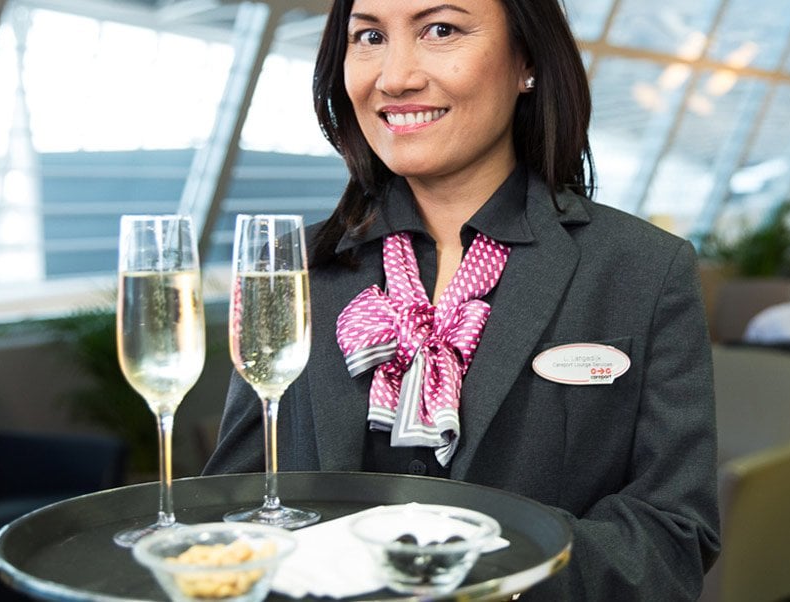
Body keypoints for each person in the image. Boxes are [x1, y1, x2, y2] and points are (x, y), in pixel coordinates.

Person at [204, 0, 720, 599]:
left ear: (526, 58)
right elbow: (231, 504)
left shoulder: (643, 269)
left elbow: (672, 537)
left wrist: (481, 575)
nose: (394, 77)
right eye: (369, 36)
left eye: (440, 30)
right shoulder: (291, 271)